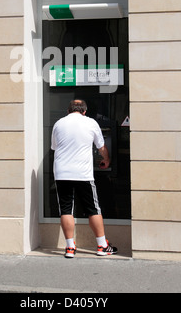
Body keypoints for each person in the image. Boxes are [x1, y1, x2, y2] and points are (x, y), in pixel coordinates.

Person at [51, 99, 118, 258]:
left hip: (62, 173)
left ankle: (69, 248)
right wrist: (106, 160)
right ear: (84, 111)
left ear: (68, 110)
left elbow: (54, 146)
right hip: (83, 174)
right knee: (93, 209)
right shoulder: (91, 123)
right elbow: (101, 147)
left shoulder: (59, 123)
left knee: (66, 209)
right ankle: (102, 246)